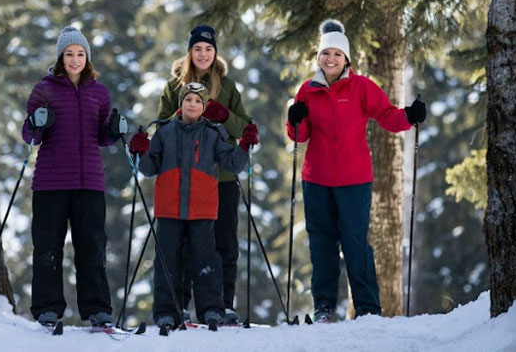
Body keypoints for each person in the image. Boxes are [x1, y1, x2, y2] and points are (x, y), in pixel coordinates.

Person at [285, 19, 426, 322]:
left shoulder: (361, 87)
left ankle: (367, 308)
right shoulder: (307, 90)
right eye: (326, 54)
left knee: (355, 243)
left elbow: (387, 116)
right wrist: (294, 120)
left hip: (354, 180)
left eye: (337, 54)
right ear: (319, 58)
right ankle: (323, 306)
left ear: (346, 58)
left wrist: (409, 116)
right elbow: (300, 135)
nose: (330, 59)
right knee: (322, 244)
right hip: (317, 179)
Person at [130, 83, 259, 332]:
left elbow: (232, 164)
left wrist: (244, 145)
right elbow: (147, 168)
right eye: (188, 100)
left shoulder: (213, 133)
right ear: (180, 104)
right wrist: (139, 150)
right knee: (168, 260)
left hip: (202, 209)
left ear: (204, 107)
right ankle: (168, 311)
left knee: (205, 259)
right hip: (169, 208)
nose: (192, 105)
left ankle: (211, 308)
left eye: (198, 101)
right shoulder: (164, 132)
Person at [23, 26, 123, 330]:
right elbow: (30, 135)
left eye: (80, 54)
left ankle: (98, 309)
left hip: (89, 182)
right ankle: (47, 309)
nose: (75, 59)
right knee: (48, 247)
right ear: (60, 57)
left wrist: (114, 130)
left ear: (87, 57)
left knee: (92, 247)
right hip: (51, 182)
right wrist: (37, 121)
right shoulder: (45, 89)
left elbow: (103, 137)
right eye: (69, 54)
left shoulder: (99, 92)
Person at [155, 24, 251, 325]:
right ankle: (179, 304)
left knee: (223, 242)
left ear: (215, 53)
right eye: (197, 48)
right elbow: (161, 128)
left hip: (221, 175)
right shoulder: (173, 87)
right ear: (189, 52)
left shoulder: (228, 87)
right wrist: (189, 112)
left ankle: (220, 303)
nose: (203, 54)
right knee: (181, 244)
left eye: (208, 49)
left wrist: (225, 116)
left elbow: (246, 130)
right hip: (181, 178)